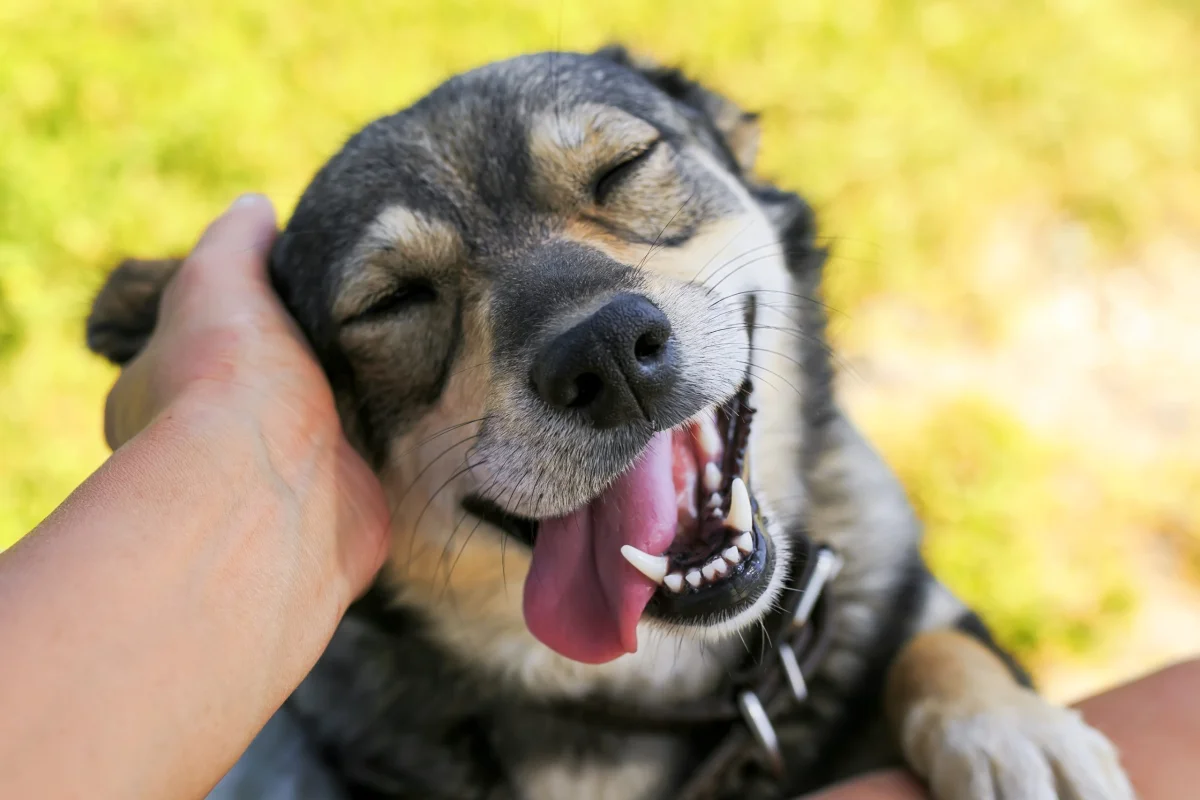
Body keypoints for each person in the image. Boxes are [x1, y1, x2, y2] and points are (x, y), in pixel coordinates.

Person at [0, 195, 1194, 799]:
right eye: (399, 298)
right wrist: (232, 424)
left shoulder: (851, 529)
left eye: (621, 177)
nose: (597, 328)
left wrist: (948, 681)